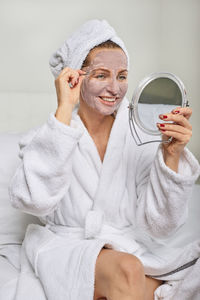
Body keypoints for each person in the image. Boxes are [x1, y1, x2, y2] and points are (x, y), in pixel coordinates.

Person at [9, 19, 200, 300]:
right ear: (75, 77)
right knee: (129, 270)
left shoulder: (139, 136)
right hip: (66, 246)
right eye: (101, 75)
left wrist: (172, 156)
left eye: (122, 76)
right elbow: (34, 201)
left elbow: (161, 226)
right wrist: (64, 108)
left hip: (126, 245)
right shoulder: (48, 138)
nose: (115, 88)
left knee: (140, 271)